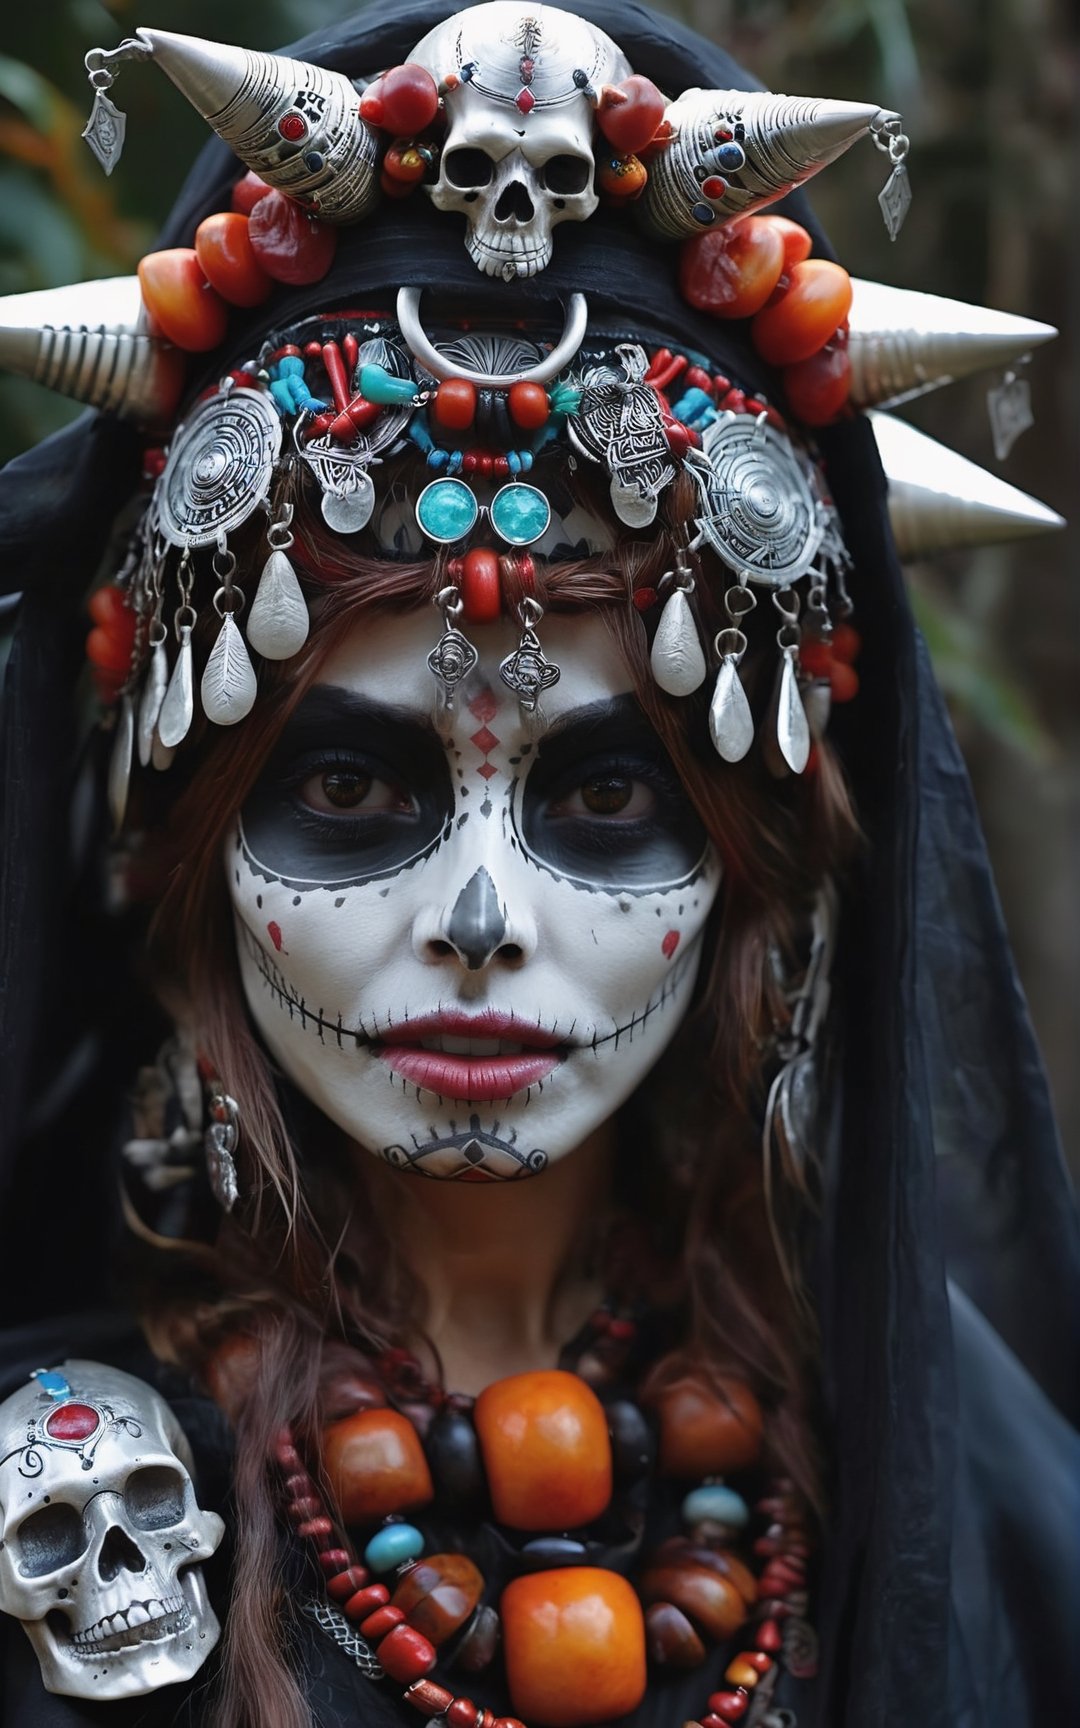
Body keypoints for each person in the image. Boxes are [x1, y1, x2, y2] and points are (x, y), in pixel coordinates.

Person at [0, 4, 1077, 1727]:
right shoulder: (76, 1482)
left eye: (604, 805)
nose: (484, 924)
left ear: (759, 862)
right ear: (185, 842)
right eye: (350, 789)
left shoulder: (937, 1453)